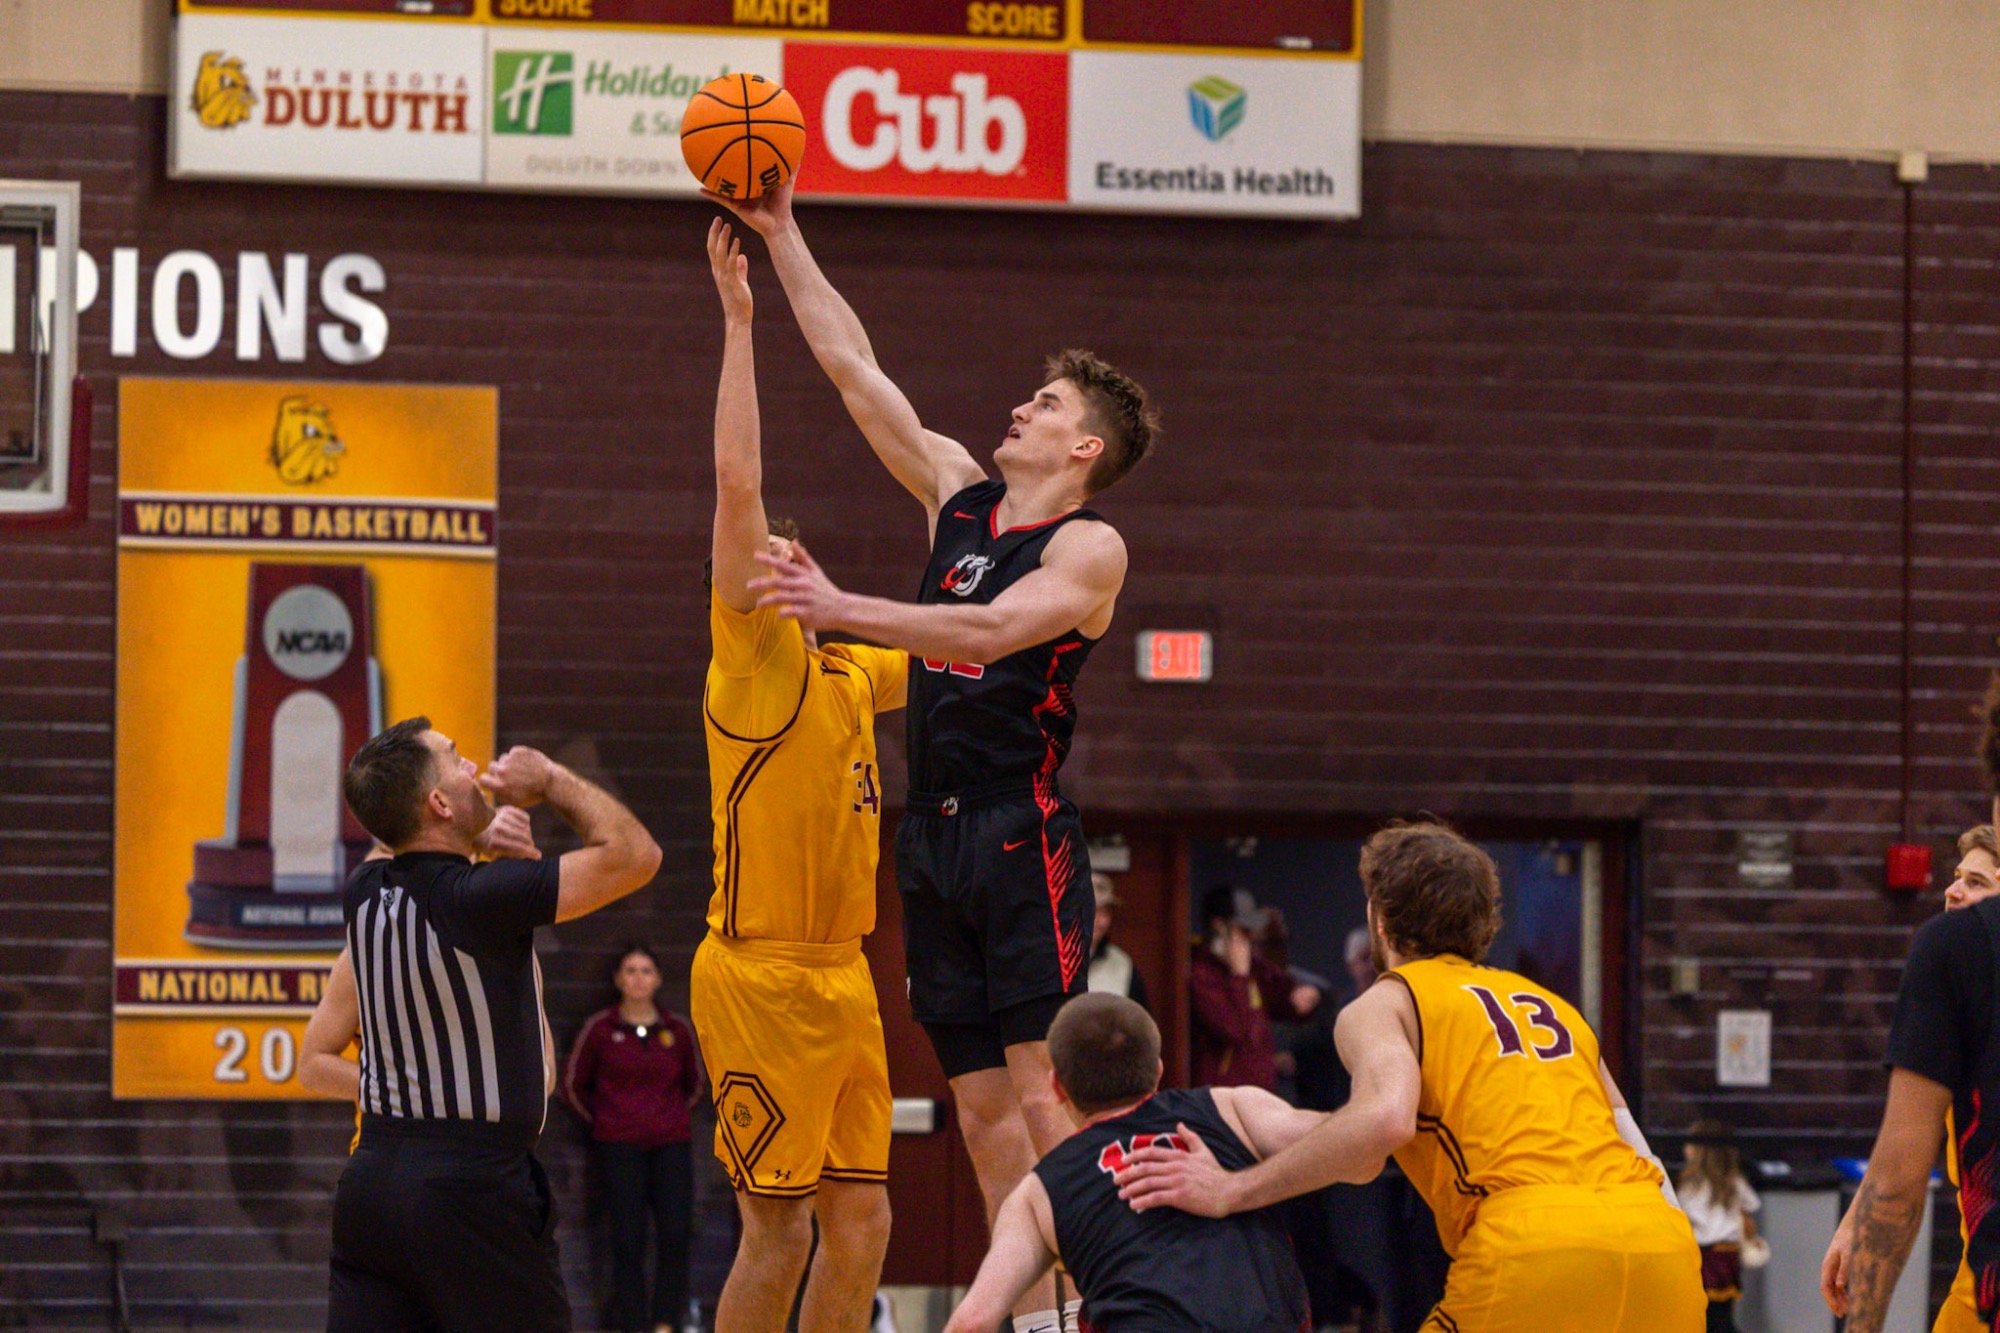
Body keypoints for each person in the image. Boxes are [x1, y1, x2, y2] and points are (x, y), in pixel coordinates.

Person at [712, 180, 1159, 1333]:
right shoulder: (956, 495)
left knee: (1039, 1092)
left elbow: (983, 634)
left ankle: (1086, 1309)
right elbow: (855, 369)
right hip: (933, 833)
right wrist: (781, 237)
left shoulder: (1088, 546)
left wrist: (838, 601)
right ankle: (1026, 1312)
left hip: (1020, 830)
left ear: (1084, 443)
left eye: (1044, 401)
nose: (1020, 405)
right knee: (975, 1111)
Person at [1115, 820, 1704, 1333]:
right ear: (1484, 921)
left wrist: (1230, 1190)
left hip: (1535, 1246)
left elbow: (1381, 1127)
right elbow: (1633, 1143)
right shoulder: (1551, 1006)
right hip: (1662, 1248)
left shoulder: (1389, 1000)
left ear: (1378, 917)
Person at [689, 219, 908, 1333]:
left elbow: (972, 632)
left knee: (862, 1222)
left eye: (785, 550)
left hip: (844, 974)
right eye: (756, 553)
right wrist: (739, 327)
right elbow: (737, 482)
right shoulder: (752, 665)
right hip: (761, 974)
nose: (767, 556)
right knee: (775, 1226)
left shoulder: (849, 670)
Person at [327, 718, 662, 1332]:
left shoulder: (365, 891)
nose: (474, 769)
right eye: (456, 761)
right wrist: (551, 779)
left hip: (370, 1187)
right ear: (437, 803)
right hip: (470, 1186)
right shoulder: (483, 897)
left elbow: (408, 850)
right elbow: (637, 856)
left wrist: (482, 846)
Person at [942, 993, 1319, 1333]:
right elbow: (1351, 1138)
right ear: (1157, 1070)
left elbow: (971, 1323)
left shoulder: (1037, 1192)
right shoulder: (1233, 1108)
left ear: (1057, 1088)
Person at [1821, 821, 2000, 1332]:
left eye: (1978, 882)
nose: (1954, 889)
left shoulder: (1951, 955)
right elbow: (1906, 1149)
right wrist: (1858, 1217)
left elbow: (1901, 1178)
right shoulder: (1965, 985)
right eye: (1958, 876)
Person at [301, 808, 544, 1151]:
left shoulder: (510, 948)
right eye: (387, 855)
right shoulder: (362, 953)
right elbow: (312, 1067)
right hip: (393, 1155)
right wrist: (411, 1095)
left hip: (483, 1158)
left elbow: (542, 1068)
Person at [563, 946, 704, 1333]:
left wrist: (668, 1118)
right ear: (618, 979)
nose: (638, 977)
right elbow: (574, 1086)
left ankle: (665, 1323)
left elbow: (694, 1085)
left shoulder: (676, 1030)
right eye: (630, 970)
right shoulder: (601, 1029)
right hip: (619, 1148)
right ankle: (634, 1324)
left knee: (675, 1235)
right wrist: (608, 1123)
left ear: (658, 979)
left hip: (671, 1147)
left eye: (646, 970)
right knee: (628, 1241)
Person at [1189, 887, 1320, 1090]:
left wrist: (1302, 997)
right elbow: (1233, 1029)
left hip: (1260, 1092)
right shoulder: (1202, 973)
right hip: (1222, 1095)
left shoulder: (1254, 967)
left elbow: (1284, 997)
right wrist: (1239, 977)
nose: (1250, 937)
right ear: (1219, 926)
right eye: (1243, 929)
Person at [1678, 1120, 1760, 1333]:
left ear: (1699, 1150)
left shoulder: (1691, 1187)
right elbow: (1749, 1211)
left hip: (1703, 1257)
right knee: (1722, 1315)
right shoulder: (1733, 1181)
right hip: (1728, 1255)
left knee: (1708, 1319)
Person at [1086, 873, 1148, 1011]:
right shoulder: (1051, 960)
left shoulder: (1122, 965)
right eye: (1094, 911)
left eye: (1106, 912)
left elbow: (1139, 1025)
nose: (1102, 922)